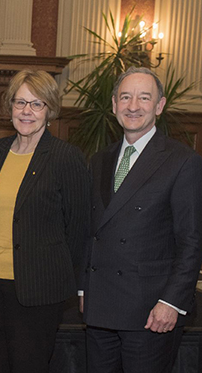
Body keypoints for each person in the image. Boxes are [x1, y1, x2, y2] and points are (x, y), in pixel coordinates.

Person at [81, 67, 202, 373]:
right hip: (101, 308)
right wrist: (85, 290)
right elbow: (90, 230)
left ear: (159, 106)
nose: (133, 105)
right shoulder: (100, 160)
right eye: (125, 97)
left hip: (150, 312)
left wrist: (172, 303)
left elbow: (191, 241)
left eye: (144, 98)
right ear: (113, 104)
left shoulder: (183, 161)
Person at [0, 70, 90, 372]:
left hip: (36, 291)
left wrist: (79, 286)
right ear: (9, 106)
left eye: (37, 104)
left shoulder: (66, 158)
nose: (27, 111)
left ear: (50, 109)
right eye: (20, 102)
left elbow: (78, 230)